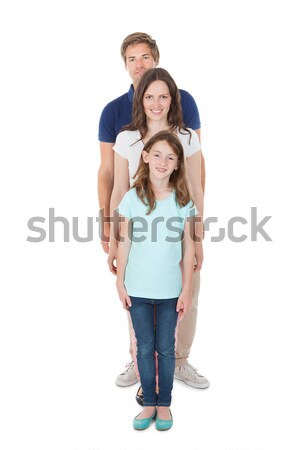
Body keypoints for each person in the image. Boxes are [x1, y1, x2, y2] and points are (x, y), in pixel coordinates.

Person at [97, 32, 208, 393]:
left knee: (184, 296)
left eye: (163, 97)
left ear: (172, 99)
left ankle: (179, 361)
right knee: (139, 296)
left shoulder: (187, 136)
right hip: (139, 235)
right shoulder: (127, 138)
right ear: (139, 100)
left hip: (177, 230)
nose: (156, 104)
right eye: (149, 97)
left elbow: (195, 187)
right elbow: (117, 189)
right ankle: (141, 359)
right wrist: (114, 238)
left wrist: (198, 237)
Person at [116, 130, 201, 430]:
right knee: (143, 347)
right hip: (137, 289)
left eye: (170, 157)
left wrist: (187, 289)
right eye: (157, 155)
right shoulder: (132, 198)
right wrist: (120, 283)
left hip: (170, 291)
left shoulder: (182, 200)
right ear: (145, 157)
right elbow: (124, 242)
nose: (163, 162)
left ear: (178, 164)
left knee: (166, 348)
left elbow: (188, 247)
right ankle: (148, 402)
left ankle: (164, 403)